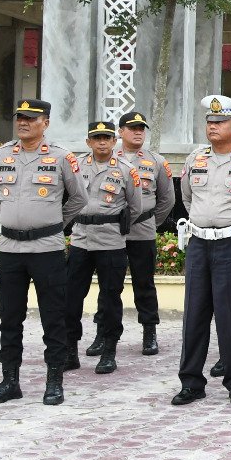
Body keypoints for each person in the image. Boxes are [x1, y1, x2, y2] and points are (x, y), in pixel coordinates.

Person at [0, 99, 87, 407]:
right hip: (10, 249)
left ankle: (54, 380)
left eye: (31, 118)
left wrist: (52, 223)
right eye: (20, 118)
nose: (23, 123)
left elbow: (78, 198)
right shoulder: (2, 155)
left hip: (47, 249)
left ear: (46, 123)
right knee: (9, 317)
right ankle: (9, 380)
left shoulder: (61, 157)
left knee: (53, 317)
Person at [170, 96, 231, 406]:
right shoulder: (194, 159)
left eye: (219, 123)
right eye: (209, 122)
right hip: (199, 243)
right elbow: (186, 198)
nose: (212, 127)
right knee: (195, 314)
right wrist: (204, 224)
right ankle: (191, 382)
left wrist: (230, 226)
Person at [63, 119, 142, 378]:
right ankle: (71, 351)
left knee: (110, 299)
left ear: (114, 141)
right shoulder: (74, 166)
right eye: (96, 138)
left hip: (110, 241)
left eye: (106, 137)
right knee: (72, 298)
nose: (101, 142)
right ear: (88, 142)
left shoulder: (126, 169)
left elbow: (136, 207)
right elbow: (67, 198)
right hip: (80, 239)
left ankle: (109, 351)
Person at [103, 110, 175, 357]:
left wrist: (151, 223)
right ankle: (105, 334)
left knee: (144, 284)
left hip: (143, 232)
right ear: (120, 132)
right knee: (109, 286)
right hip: (111, 233)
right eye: (132, 128)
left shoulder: (156, 162)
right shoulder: (107, 158)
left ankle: (149, 332)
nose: (138, 132)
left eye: (141, 128)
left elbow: (167, 199)